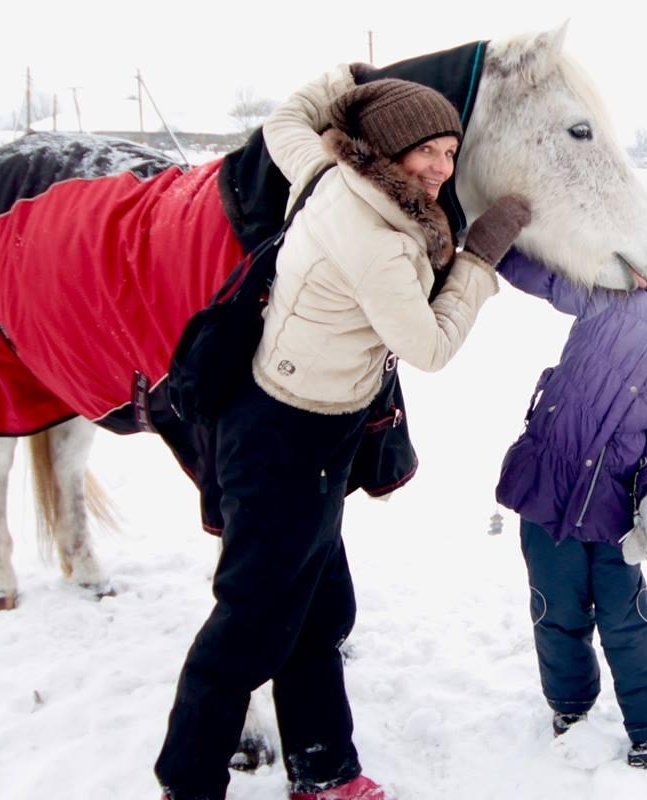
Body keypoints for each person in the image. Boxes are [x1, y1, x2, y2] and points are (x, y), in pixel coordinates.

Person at [154, 70, 531, 800]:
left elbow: (286, 118)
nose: (441, 167)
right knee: (247, 628)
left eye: (450, 151)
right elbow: (428, 347)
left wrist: (346, 82)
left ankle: (323, 771)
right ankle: (188, 782)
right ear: (385, 149)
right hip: (284, 443)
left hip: (307, 430)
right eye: (425, 149)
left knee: (316, 611)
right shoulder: (377, 240)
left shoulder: (330, 174)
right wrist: (478, 264)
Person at [493, 231, 647, 769]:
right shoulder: (610, 298)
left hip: (610, 509)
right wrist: (495, 244)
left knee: (627, 614)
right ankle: (570, 704)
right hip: (547, 487)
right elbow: (546, 278)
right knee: (555, 608)